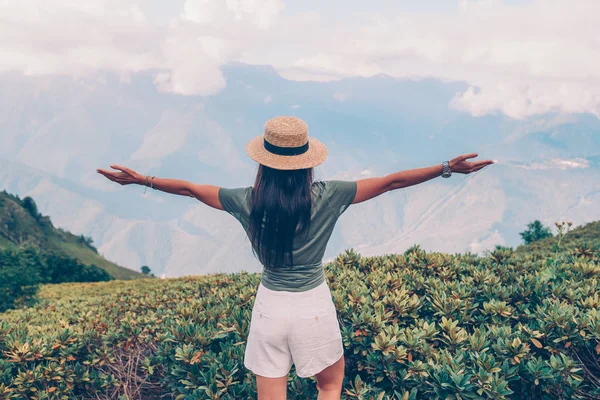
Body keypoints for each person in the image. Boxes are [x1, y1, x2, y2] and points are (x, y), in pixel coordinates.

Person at [97, 116, 493, 400]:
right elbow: (391, 182)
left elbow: (188, 188)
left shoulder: (245, 201)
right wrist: (445, 168)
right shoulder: (329, 195)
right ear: (306, 161)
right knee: (330, 385)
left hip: (268, 309)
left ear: (263, 161)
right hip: (313, 307)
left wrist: (141, 180)